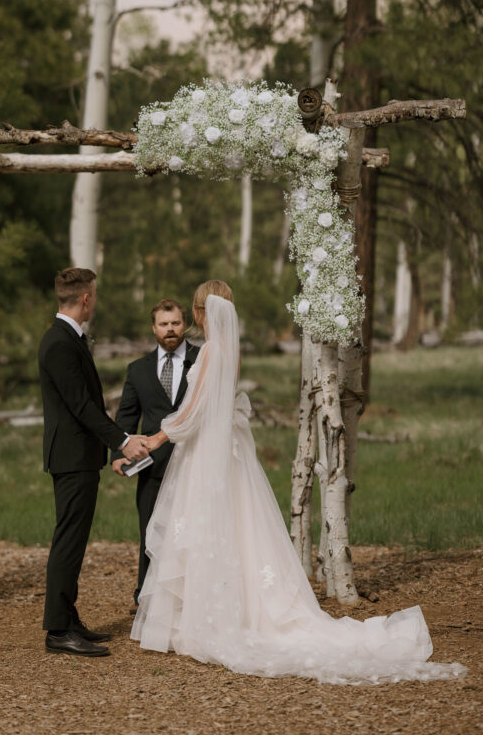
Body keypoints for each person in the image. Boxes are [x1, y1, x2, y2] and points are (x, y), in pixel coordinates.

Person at [131, 280, 465, 684]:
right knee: (237, 532)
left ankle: (210, 619)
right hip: (226, 456)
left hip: (207, 457)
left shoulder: (211, 353)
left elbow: (192, 413)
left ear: (201, 312)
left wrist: (156, 437)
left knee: (210, 530)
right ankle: (224, 611)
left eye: (194, 309)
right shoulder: (229, 352)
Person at [39, 267, 149, 658]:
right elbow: (81, 406)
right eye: (94, 295)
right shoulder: (59, 343)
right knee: (69, 540)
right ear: (86, 299)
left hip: (79, 456)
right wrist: (121, 441)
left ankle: (68, 618)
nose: (94, 301)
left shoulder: (68, 338)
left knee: (75, 538)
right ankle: (56, 630)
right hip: (71, 457)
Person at [111, 298, 200, 606]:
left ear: (184, 323)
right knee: (152, 532)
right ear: (154, 328)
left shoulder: (203, 360)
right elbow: (126, 416)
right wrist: (118, 453)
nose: (170, 329)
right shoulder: (137, 370)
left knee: (195, 533)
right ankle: (147, 598)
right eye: (164, 324)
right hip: (153, 467)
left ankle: (192, 599)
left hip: (195, 461)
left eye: (175, 323)